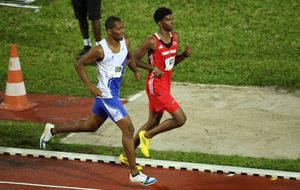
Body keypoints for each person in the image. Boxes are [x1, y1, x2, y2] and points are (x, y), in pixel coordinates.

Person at [40, 16, 157, 186]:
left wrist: (135, 71)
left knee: (91, 126)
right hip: (106, 96)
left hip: (113, 94)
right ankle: (134, 173)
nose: (122, 31)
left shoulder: (126, 42)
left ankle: (52, 130)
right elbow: (79, 64)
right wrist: (90, 87)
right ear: (110, 31)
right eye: (118, 29)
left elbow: (128, 57)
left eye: (123, 28)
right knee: (128, 128)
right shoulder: (99, 50)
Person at [118, 7, 192, 164]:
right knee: (180, 119)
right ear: (160, 23)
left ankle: (126, 155)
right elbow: (134, 60)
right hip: (155, 86)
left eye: (172, 19)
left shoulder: (175, 37)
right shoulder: (152, 41)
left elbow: (169, 65)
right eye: (167, 20)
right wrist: (152, 68)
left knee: (152, 122)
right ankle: (147, 136)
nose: (171, 22)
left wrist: (184, 56)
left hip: (165, 84)